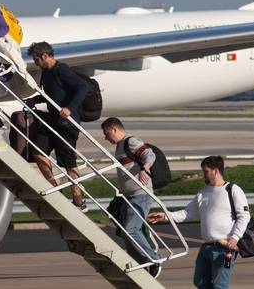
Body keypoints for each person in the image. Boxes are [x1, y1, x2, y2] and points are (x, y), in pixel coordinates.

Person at [169, 155, 250, 289]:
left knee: (220, 285)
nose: (204, 175)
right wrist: (166, 216)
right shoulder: (203, 192)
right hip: (206, 247)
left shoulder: (233, 190)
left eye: (206, 172)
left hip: (224, 248)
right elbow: (187, 213)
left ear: (215, 171)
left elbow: (244, 216)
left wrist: (235, 238)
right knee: (200, 282)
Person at [25, 41, 89, 211]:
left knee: (69, 164)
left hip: (66, 123)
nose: (35, 63)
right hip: (52, 121)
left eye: (36, 59)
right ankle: (55, 192)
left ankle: (78, 201)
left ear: (45, 56)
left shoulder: (61, 69)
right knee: (37, 151)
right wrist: (35, 100)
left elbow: (82, 88)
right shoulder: (46, 73)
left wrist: (70, 107)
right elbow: (51, 95)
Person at [101, 117, 161, 277]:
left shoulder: (130, 141)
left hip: (140, 194)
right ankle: (140, 264)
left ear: (114, 129)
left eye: (107, 134)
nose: (106, 138)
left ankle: (154, 259)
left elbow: (149, 154)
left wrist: (145, 169)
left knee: (131, 229)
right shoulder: (120, 146)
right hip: (129, 196)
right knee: (125, 231)